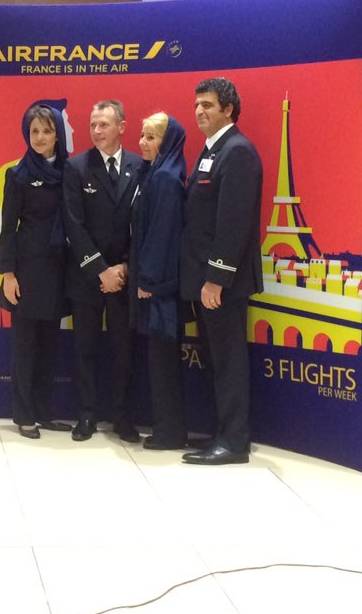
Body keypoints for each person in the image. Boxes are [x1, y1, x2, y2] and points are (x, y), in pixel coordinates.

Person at [179, 77, 263, 465]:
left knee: (228, 362)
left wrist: (216, 278)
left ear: (228, 110)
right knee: (216, 360)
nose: (199, 111)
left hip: (222, 283)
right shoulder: (213, 149)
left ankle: (234, 442)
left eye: (208, 105)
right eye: (197, 104)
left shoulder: (238, 151)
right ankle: (224, 433)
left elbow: (234, 222)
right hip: (205, 280)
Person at [63, 99, 143, 442]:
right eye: (93, 125)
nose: (96, 131)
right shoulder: (76, 167)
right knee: (86, 348)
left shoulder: (140, 166)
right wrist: (100, 270)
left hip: (124, 276)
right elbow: (73, 224)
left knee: (124, 350)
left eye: (104, 125)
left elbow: (143, 224)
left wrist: (125, 266)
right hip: (87, 275)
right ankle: (86, 415)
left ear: (121, 127)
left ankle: (122, 416)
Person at [0, 100, 72, 440]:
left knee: (49, 345)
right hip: (26, 272)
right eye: (34, 131)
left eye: (47, 131)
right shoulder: (18, 174)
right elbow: (8, 228)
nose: (40, 137)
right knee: (25, 348)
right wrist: (8, 274)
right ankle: (23, 414)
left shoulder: (71, 171)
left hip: (59, 270)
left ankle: (44, 412)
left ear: (58, 134)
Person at [129, 112, 188, 450]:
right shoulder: (156, 173)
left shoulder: (165, 178)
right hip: (157, 284)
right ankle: (167, 429)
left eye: (151, 137)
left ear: (168, 141)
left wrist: (148, 279)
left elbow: (162, 233)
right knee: (159, 359)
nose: (142, 143)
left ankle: (170, 432)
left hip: (160, 288)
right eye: (142, 135)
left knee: (163, 361)